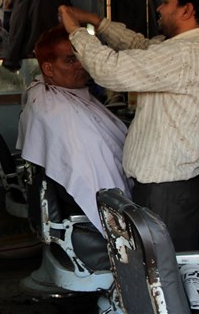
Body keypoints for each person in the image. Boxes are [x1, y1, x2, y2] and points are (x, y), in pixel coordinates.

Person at [58, 0, 199, 251]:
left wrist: (76, 32)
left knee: (162, 271)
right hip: (165, 187)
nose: (159, 8)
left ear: (187, 10)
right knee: (157, 268)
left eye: (166, 2)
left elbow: (109, 69)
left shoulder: (183, 55)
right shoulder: (184, 48)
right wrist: (96, 21)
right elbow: (141, 46)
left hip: (166, 192)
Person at [16, 26, 131, 232]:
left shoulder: (61, 95)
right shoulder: (57, 112)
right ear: (48, 69)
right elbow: (91, 179)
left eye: (80, 57)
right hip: (88, 211)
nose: (81, 65)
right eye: (70, 60)